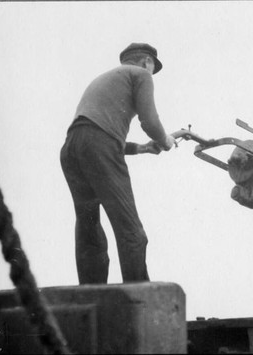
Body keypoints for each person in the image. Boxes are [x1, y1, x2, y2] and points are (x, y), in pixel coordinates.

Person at [60, 43, 176, 284]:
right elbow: (149, 121)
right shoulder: (141, 74)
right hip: (99, 146)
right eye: (152, 68)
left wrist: (141, 148)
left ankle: (91, 296)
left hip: (72, 148)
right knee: (132, 232)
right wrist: (165, 140)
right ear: (146, 62)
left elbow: (92, 135)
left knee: (89, 230)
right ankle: (140, 302)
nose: (151, 74)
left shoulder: (106, 78)